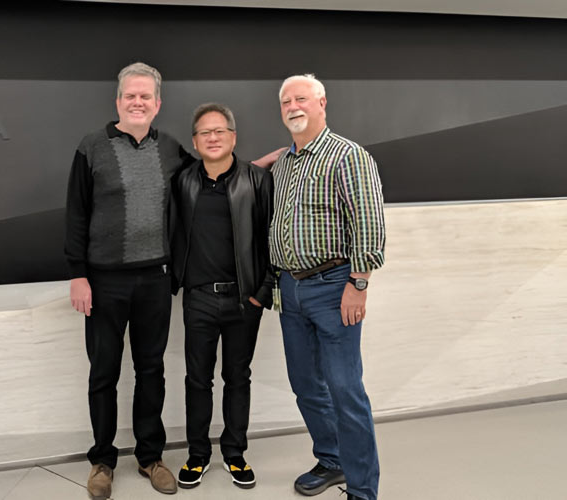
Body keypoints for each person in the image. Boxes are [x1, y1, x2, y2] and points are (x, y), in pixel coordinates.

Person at [65, 62, 194, 499]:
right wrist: (78, 275)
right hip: (103, 282)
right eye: (129, 96)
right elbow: (76, 215)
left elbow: (215, 173)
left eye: (145, 96)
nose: (137, 102)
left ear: (157, 104)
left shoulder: (173, 149)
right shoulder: (91, 148)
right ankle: (102, 461)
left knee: (151, 371)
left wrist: (259, 166)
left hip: (155, 280)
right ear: (118, 101)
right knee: (103, 373)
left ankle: (150, 458)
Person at [271, 74, 386, 500]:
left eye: (301, 98)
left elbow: (370, 224)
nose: (292, 106)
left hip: (335, 286)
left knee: (344, 389)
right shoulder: (285, 162)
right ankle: (332, 459)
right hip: (290, 289)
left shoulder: (348, 156)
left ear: (322, 102)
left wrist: (359, 283)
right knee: (305, 385)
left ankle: (361, 489)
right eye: (286, 101)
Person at [170, 103, 276, 490]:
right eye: (204, 133)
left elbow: (271, 240)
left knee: (237, 377)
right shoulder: (183, 181)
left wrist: (262, 294)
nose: (212, 138)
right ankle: (197, 454)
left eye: (219, 131)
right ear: (195, 142)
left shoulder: (257, 180)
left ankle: (235, 452)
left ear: (233, 136)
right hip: (197, 298)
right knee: (197, 379)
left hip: (243, 300)